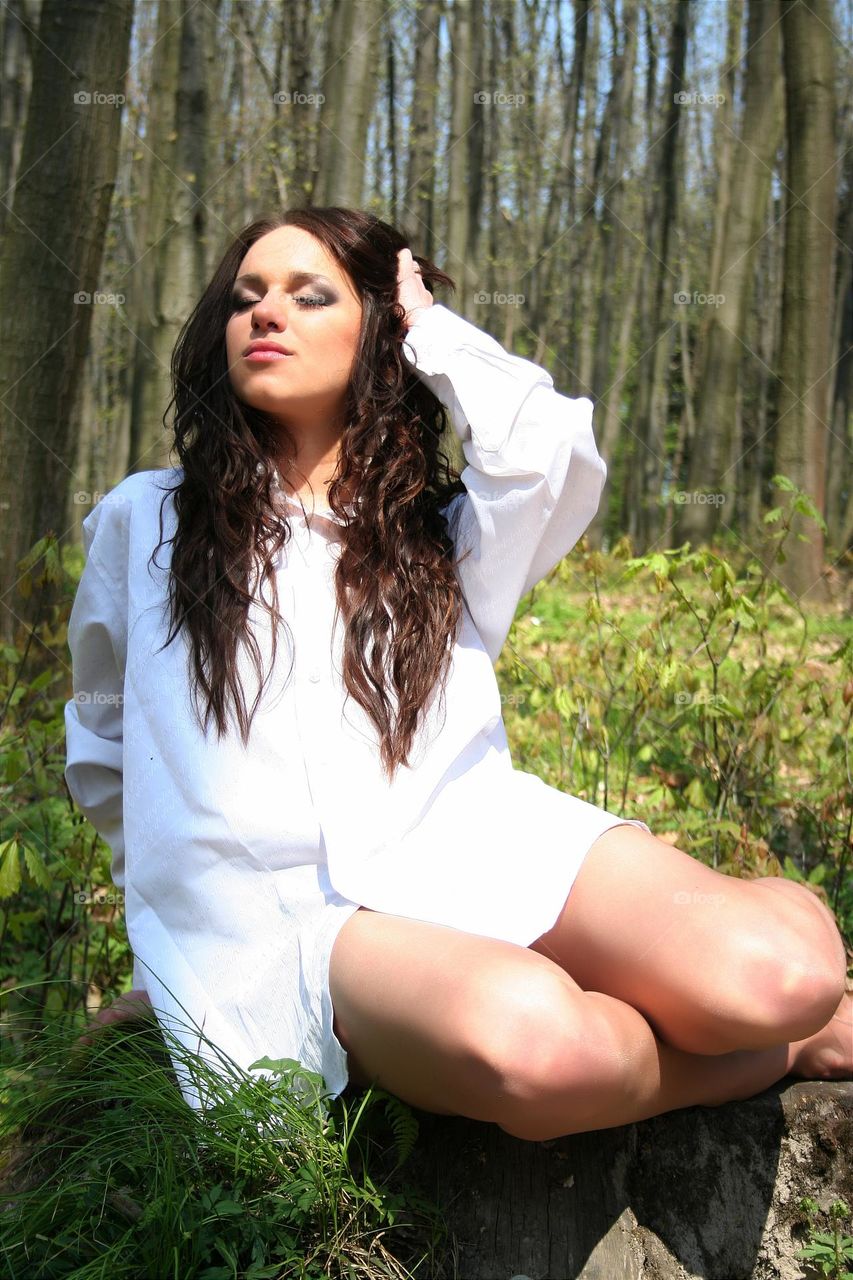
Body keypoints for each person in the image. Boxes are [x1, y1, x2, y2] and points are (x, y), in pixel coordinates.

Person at [66, 206, 851, 1141]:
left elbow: (547, 452)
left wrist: (430, 327)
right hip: (291, 923)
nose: (266, 314)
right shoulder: (148, 522)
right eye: (247, 297)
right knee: (549, 1050)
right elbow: (110, 748)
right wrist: (169, 955)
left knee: (785, 976)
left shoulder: (442, 535)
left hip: (473, 843)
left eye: (310, 295)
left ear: (379, 332)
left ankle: (716, 987)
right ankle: (759, 1058)